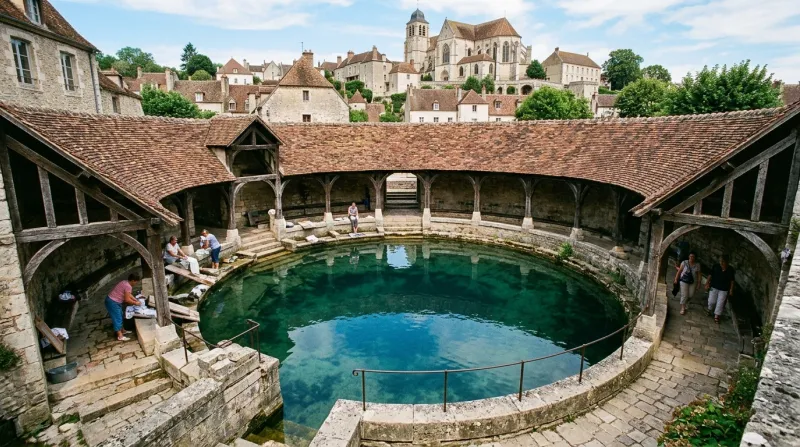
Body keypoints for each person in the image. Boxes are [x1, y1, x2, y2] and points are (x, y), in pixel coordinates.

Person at [106, 274, 141, 341]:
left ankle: (123, 330)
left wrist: (135, 299)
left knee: (121, 315)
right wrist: (135, 303)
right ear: (133, 281)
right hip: (112, 302)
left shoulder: (124, 282)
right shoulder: (128, 286)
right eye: (136, 282)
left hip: (113, 301)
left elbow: (128, 294)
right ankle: (120, 335)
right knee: (117, 318)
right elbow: (127, 299)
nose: (136, 283)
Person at [705, 255, 735, 324]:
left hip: (724, 289)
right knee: (711, 301)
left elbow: (732, 281)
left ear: (727, 262)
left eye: (723, 261)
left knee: (720, 303)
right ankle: (709, 309)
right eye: (720, 261)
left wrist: (731, 290)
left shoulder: (730, 269)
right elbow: (710, 275)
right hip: (714, 286)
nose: (721, 263)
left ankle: (717, 315)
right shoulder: (716, 266)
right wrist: (707, 283)